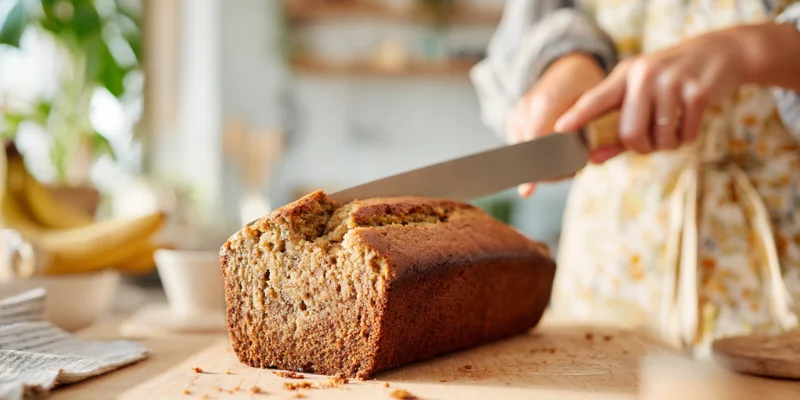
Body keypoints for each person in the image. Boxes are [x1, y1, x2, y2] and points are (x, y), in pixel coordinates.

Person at [471, 0, 800, 354]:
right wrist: (571, 60)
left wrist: (749, 49)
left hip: (781, 270)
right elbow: (538, 21)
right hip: (609, 268)